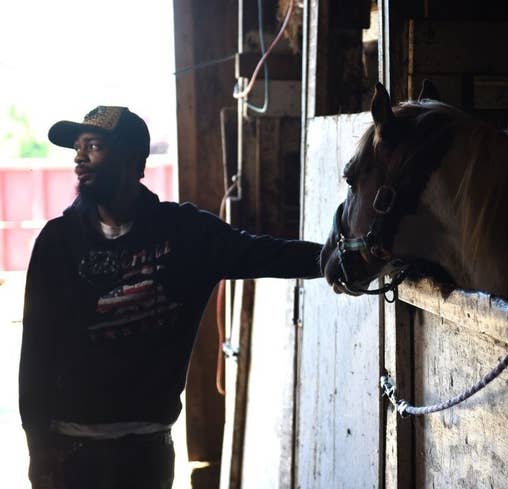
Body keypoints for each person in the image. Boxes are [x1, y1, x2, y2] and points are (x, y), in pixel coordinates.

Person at [19, 106, 322, 489]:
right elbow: (35, 353)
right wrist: (38, 448)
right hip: (70, 453)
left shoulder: (185, 234)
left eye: (93, 146)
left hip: (146, 453)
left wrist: (338, 257)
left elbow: (264, 252)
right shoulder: (58, 242)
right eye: (77, 148)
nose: (79, 157)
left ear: (133, 160)